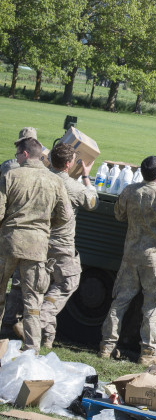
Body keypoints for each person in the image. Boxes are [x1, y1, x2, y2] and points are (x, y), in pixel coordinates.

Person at [99, 156, 156, 365]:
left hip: (131, 256)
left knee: (119, 302)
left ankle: (107, 346)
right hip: (155, 260)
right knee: (151, 307)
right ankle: (148, 353)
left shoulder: (129, 191)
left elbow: (119, 215)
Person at [0, 137, 72, 352]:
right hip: (37, 246)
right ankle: (32, 348)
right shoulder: (55, 181)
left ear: (23, 154)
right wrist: (45, 226)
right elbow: (65, 215)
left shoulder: (10, 175)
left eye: (17, 155)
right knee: (32, 301)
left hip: (9, 242)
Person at [36, 143, 99, 349]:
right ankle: (37, 323)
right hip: (61, 246)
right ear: (69, 164)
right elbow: (92, 202)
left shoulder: (39, 178)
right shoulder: (72, 186)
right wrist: (87, 178)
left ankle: (46, 339)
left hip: (37, 242)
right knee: (66, 283)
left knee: (43, 288)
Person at [0, 128, 40, 335]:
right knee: (29, 291)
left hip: (9, 236)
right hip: (36, 242)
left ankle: (6, 323)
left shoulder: (8, 168)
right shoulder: (44, 172)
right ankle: (30, 340)